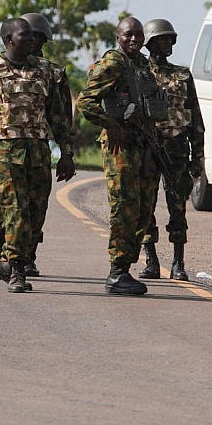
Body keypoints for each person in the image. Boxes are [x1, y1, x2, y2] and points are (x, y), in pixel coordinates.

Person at [0, 17, 75, 293]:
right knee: (15, 211)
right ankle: (16, 270)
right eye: (25, 36)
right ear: (8, 39)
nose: (31, 40)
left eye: (32, 36)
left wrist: (67, 153)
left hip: (39, 152)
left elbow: (58, 116)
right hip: (6, 154)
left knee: (35, 213)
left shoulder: (45, 71)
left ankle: (8, 261)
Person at [77, 17, 165, 296]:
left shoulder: (142, 66)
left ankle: (125, 268)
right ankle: (117, 272)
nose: (134, 39)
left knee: (143, 209)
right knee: (124, 207)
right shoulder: (113, 63)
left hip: (144, 145)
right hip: (121, 148)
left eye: (138, 34)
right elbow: (85, 101)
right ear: (118, 37)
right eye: (128, 35)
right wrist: (111, 125)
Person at [138, 19, 205, 281]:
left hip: (176, 146)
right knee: (146, 205)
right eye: (161, 39)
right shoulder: (139, 73)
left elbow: (195, 116)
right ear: (150, 43)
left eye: (169, 39)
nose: (167, 43)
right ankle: (151, 260)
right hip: (147, 146)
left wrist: (198, 155)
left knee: (177, 206)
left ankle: (178, 262)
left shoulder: (183, 74)